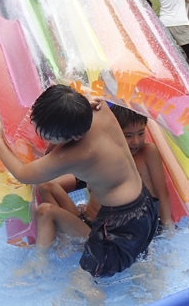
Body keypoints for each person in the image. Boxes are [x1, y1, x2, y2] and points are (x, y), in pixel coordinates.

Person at [0, 85, 159, 279]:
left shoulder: (76, 153)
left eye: (48, 137)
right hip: (143, 203)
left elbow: (23, 174)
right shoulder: (99, 107)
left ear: (74, 137)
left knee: (84, 281)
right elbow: (72, 88)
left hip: (120, 222)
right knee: (134, 261)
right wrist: (85, 97)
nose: (42, 138)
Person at [36, 104, 174, 248]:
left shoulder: (147, 153)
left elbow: (162, 193)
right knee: (46, 186)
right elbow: (57, 169)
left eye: (141, 133)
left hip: (106, 232)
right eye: (128, 136)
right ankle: (64, 236)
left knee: (47, 208)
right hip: (85, 221)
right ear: (114, 133)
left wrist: (167, 226)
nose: (136, 141)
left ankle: (72, 240)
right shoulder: (104, 155)